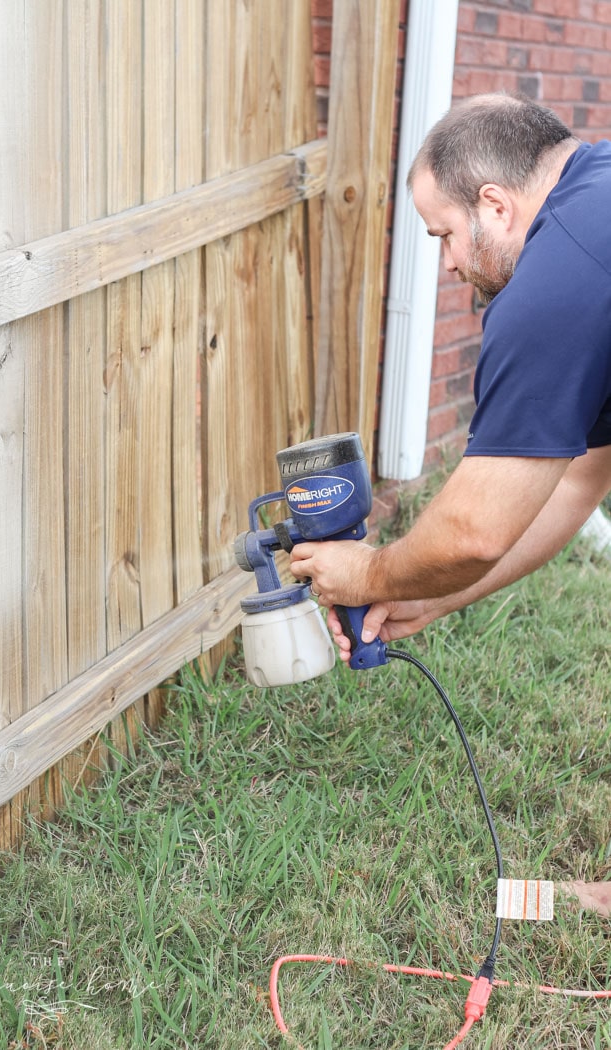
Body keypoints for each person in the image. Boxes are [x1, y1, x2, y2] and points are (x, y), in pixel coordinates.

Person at [288, 92, 611, 915]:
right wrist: (425, 594)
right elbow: (578, 477)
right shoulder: (596, 196)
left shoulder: (556, 280)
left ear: (495, 207)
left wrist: (370, 572)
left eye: (443, 236)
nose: (448, 263)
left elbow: (472, 528)